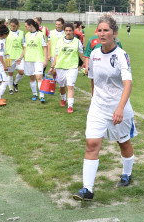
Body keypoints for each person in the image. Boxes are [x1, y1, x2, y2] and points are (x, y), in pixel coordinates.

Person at [73, 14, 136, 201]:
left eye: (106, 30)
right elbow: (93, 81)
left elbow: (128, 84)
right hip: (98, 108)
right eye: (99, 30)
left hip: (119, 107)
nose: (102, 33)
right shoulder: (93, 54)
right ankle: (87, 189)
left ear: (114, 33)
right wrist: (94, 101)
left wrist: (119, 108)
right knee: (91, 144)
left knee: (123, 143)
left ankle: (127, 173)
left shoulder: (121, 56)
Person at [49, 23, 85, 113]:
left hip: (72, 67)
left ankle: (70, 106)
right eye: (66, 31)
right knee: (62, 86)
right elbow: (56, 55)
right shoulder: (60, 41)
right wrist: (52, 67)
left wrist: (86, 64)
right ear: (64, 31)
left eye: (70, 30)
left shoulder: (77, 42)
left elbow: (81, 55)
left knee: (70, 86)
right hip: (60, 67)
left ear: (73, 31)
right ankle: (63, 99)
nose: (68, 32)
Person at [19, 18, 48, 102]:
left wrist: (45, 59)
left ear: (30, 25)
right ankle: (34, 94)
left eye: (26, 26)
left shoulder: (40, 34)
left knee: (39, 76)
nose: (25, 27)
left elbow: (44, 48)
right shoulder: (26, 35)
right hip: (28, 59)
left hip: (38, 58)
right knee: (31, 77)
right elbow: (25, 48)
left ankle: (42, 95)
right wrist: (20, 58)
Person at [6, 18, 25, 94]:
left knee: (21, 71)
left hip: (19, 56)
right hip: (8, 56)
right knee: (10, 73)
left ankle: (15, 82)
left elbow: (24, 45)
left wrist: (22, 55)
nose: (12, 27)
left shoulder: (21, 33)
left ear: (17, 25)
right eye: (11, 26)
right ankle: (10, 88)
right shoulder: (7, 32)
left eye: (14, 26)